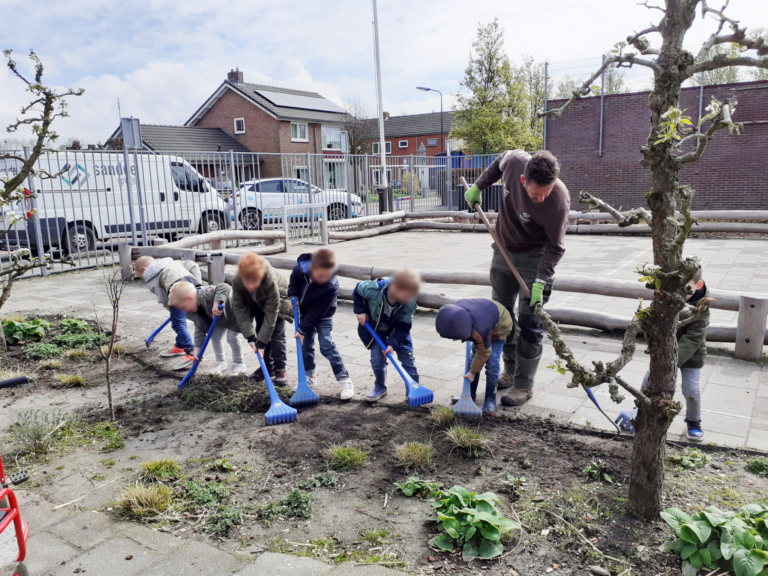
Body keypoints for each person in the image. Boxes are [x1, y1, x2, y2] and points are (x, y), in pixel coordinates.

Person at [464, 150, 570, 407]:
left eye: (547, 191)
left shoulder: (557, 202)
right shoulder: (514, 164)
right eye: (536, 194)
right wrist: (479, 186)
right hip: (503, 249)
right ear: (523, 181)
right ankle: (509, 371)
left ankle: (524, 384)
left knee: (530, 322)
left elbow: (556, 247)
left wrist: (540, 280)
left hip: (536, 256)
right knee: (502, 316)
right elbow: (499, 163)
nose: (541, 198)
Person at [617, 268, 710, 441]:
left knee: (692, 390)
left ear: (699, 285)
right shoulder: (666, 298)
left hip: (691, 357)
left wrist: (672, 360)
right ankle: (640, 411)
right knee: (648, 382)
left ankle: (694, 421)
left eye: (686, 290)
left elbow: (694, 337)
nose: (681, 294)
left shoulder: (702, 307)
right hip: (664, 354)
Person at [288, 249, 354, 400]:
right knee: (305, 345)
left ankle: (344, 379)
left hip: (323, 313)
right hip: (305, 311)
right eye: (321, 275)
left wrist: (302, 329)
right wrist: (293, 296)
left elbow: (317, 313)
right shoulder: (300, 269)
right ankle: (309, 377)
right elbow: (294, 283)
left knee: (326, 344)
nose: (324, 278)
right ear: (312, 268)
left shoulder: (330, 286)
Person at [353, 268, 421, 402]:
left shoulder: (409, 303)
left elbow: (404, 326)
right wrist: (360, 311)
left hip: (398, 331)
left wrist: (393, 344)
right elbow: (357, 290)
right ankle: (380, 387)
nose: (410, 298)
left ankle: (414, 390)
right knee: (377, 360)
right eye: (407, 295)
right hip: (376, 330)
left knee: (407, 359)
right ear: (395, 288)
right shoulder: (374, 289)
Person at [434, 298, 513, 414]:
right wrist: (473, 370)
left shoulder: (479, 329)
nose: (454, 339)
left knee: (492, 363)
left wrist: (472, 373)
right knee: (473, 360)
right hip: (482, 316)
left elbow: (484, 352)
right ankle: (469, 394)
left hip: (500, 324)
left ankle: (490, 399)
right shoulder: (452, 314)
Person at [232, 252, 292, 385]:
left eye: (255, 283)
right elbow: (240, 309)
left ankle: (280, 368)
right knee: (260, 332)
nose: (251, 287)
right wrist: (251, 337)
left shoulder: (269, 279)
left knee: (276, 335)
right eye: (248, 283)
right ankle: (267, 367)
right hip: (256, 303)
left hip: (278, 302)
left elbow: (272, 312)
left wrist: (262, 342)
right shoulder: (237, 281)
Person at [134, 255, 202, 371]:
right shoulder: (173, 262)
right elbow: (193, 265)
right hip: (194, 287)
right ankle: (179, 346)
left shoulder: (152, 277)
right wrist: (198, 286)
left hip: (178, 293)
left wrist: (172, 311)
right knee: (180, 320)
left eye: (140, 276)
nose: (142, 279)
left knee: (178, 323)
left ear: (144, 270)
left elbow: (164, 299)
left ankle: (190, 351)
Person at [168, 281, 248, 376]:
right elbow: (200, 327)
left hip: (236, 313)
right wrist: (197, 348)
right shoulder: (194, 311)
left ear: (189, 299)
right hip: (221, 318)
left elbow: (225, 286)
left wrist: (216, 302)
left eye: (184, 307)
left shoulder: (206, 294)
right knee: (215, 337)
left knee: (231, 338)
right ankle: (220, 362)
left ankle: (239, 363)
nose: (185, 311)